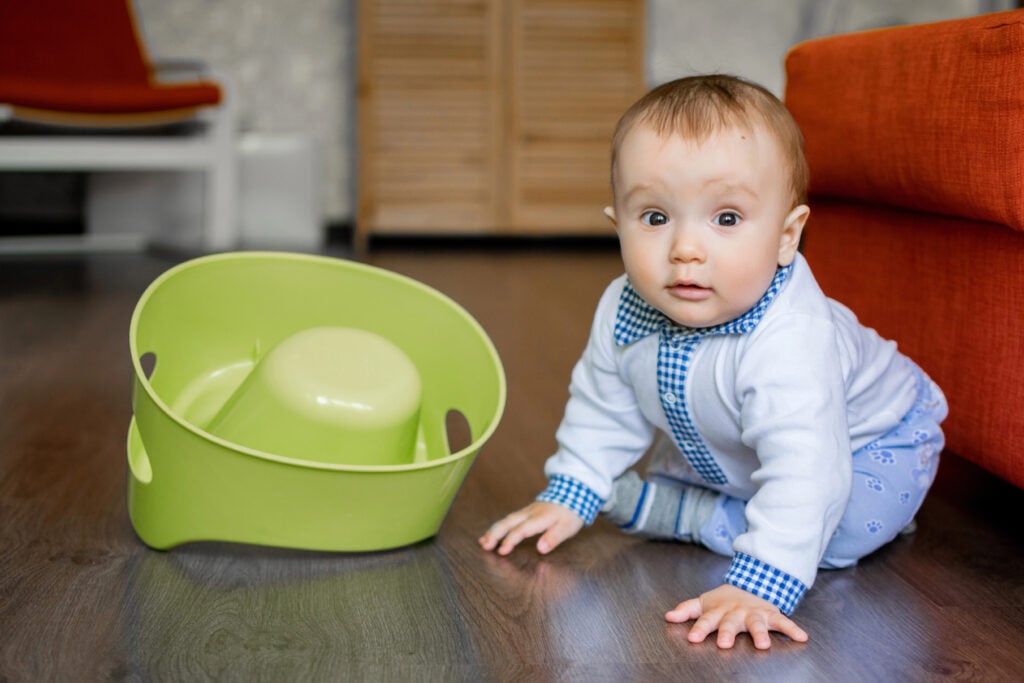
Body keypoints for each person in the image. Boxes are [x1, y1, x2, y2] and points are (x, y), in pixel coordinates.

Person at [479, 74, 947, 650]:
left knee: (837, 528)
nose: (685, 249)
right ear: (616, 228)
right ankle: (714, 507)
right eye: (655, 217)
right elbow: (605, 404)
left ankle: (685, 515)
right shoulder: (622, 307)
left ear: (786, 236)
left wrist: (761, 585)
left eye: (726, 219)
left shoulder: (792, 338)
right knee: (712, 453)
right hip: (740, 445)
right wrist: (571, 489)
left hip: (872, 442)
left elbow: (809, 467)